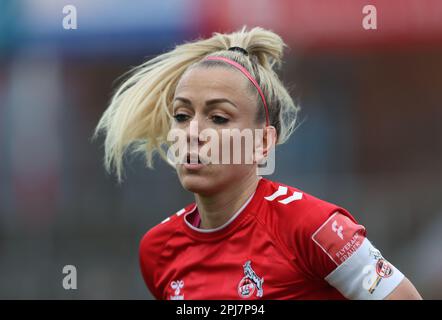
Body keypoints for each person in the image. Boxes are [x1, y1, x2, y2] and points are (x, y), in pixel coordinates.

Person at [95, 27, 422, 300]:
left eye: (218, 117)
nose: (192, 132)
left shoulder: (311, 227)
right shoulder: (159, 249)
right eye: (182, 115)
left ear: (262, 143)